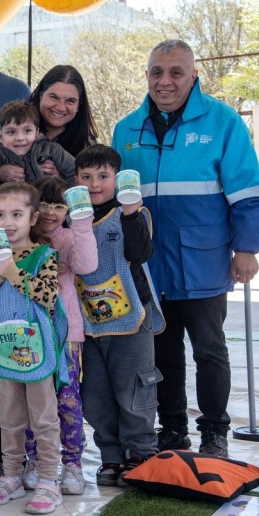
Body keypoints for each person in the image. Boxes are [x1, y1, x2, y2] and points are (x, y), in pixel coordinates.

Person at [112, 39, 259, 458]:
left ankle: (215, 430)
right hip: (149, 264)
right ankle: (172, 428)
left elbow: (249, 192)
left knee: (209, 348)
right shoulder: (125, 129)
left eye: (176, 72)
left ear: (193, 75)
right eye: (156, 72)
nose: (165, 81)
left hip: (204, 258)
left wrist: (246, 248)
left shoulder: (224, 122)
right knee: (162, 350)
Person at [0, 182, 68, 515]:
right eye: (1, 214)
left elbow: (48, 295)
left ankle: (49, 480)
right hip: (2, 347)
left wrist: (12, 271)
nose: (8, 222)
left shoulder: (45, 255)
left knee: (44, 416)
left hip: (36, 350)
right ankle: (11, 475)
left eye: (16, 214)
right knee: (9, 416)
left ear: (32, 216)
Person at [72, 146, 164, 486]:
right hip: (92, 327)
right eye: (86, 177)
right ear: (76, 180)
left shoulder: (132, 214)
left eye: (103, 177)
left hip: (131, 322)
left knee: (135, 391)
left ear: (117, 178)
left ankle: (140, 453)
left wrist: (130, 212)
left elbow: (141, 252)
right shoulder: (73, 221)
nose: (95, 184)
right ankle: (111, 456)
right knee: (95, 396)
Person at [22, 176, 97, 495]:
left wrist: (82, 225)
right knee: (31, 403)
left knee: (67, 400)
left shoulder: (68, 238)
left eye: (58, 205)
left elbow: (87, 264)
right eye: (44, 204)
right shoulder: (22, 240)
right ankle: (35, 460)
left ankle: (72, 464)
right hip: (28, 335)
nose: (51, 212)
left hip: (66, 336)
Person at [0, 100, 76, 186]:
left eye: (27, 131)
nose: (20, 138)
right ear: (0, 136)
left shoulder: (52, 150)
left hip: (50, 209)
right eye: (11, 132)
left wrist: (62, 187)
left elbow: (75, 173)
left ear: (37, 132)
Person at [29, 65, 99, 170]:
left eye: (70, 101)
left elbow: (94, 184)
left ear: (79, 105)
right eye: (54, 97)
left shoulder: (89, 148)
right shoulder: (12, 131)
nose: (61, 107)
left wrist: (62, 180)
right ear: (40, 96)